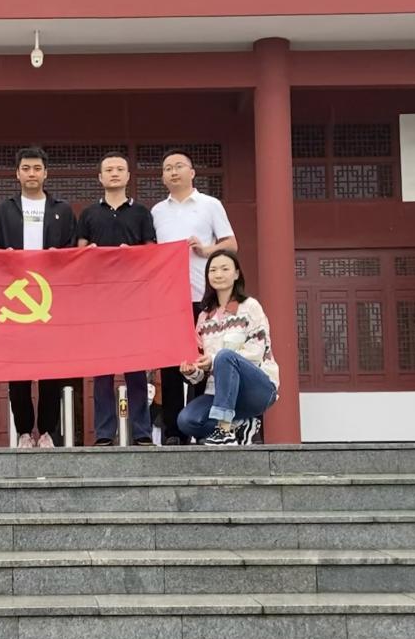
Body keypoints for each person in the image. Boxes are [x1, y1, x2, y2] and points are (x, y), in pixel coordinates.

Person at [0, 146, 78, 448]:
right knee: (18, 370)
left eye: (37, 168)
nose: (32, 173)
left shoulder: (62, 210)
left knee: (51, 369)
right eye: (26, 168)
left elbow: (73, 251)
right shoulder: (4, 210)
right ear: (17, 173)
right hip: (16, 300)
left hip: (51, 299)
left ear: (46, 173)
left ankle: (48, 431)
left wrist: (59, 256)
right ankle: (24, 431)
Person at [151, 150, 237, 445]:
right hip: (169, 300)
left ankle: (200, 427)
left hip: (203, 296)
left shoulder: (210, 205)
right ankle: (174, 432)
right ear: (163, 177)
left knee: (203, 361)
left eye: (179, 166)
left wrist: (205, 250)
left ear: (192, 172)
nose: (173, 172)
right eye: (167, 168)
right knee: (171, 366)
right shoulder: (157, 211)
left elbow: (231, 244)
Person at [78, 152, 156, 447]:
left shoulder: (141, 213)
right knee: (102, 373)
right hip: (100, 303)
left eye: (119, 169)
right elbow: (78, 254)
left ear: (128, 176)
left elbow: (152, 252)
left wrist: (132, 254)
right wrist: (89, 253)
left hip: (133, 302)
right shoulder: (89, 214)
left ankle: (142, 431)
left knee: (136, 371)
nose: (114, 173)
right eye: (108, 169)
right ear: (100, 177)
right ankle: (104, 433)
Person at [178, 250, 277, 446]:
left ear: (236, 274)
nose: (218, 274)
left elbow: (257, 352)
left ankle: (224, 431)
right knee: (186, 420)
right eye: (213, 270)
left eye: (225, 269)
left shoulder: (250, 307)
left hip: (256, 389)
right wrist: (193, 371)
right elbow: (202, 366)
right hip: (218, 393)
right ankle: (240, 425)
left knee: (224, 356)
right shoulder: (204, 318)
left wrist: (215, 359)